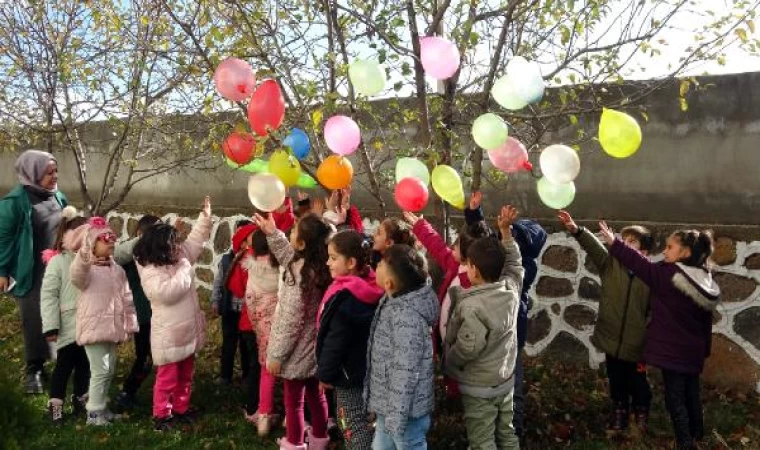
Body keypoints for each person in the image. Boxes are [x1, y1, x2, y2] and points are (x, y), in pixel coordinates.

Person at [602, 223, 720, 450]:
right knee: (691, 393)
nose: (664, 251)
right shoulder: (704, 278)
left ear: (685, 252)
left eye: (669, 247)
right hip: (693, 352)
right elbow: (706, 323)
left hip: (672, 353)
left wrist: (615, 243)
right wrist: (705, 349)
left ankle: (684, 442)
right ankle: (697, 433)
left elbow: (640, 264)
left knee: (675, 399)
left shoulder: (668, 276)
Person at [558, 210, 653, 432]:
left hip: (635, 342)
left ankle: (641, 413)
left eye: (632, 242)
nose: (625, 244)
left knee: (638, 381)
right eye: (624, 240)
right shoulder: (611, 266)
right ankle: (619, 411)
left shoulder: (651, 275)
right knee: (616, 379)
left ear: (645, 252)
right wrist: (576, 229)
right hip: (610, 337)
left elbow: (653, 311)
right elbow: (594, 248)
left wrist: (646, 331)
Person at [465, 193, 547, 439]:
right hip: (503, 338)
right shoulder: (512, 260)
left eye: (507, 236)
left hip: (507, 337)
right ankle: (504, 434)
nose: (499, 239)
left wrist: (504, 231)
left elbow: (495, 245)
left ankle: (512, 432)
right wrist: (473, 211)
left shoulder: (520, 268)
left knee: (511, 386)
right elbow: (485, 236)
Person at [444, 206, 524, 450]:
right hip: (504, 379)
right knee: (507, 433)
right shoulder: (511, 290)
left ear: (474, 269)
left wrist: (450, 361)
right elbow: (515, 265)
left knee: (482, 441)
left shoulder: (472, 306)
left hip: (479, 387)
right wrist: (505, 233)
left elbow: (468, 347)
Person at [253, 212, 332, 450]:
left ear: (303, 243)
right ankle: (319, 440)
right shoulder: (318, 266)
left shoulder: (297, 274)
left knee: (294, 403)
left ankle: (295, 443)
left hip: (296, 351)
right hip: (315, 347)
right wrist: (272, 233)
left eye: (295, 229)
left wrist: (276, 355)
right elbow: (288, 254)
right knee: (316, 398)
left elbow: (289, 320)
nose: (291, 232)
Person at [134, 197, 212, 431]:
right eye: (174, 243)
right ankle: (161, 415)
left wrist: (205, 217)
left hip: (186, 331)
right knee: (167, 378)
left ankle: (181, 408)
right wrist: (185, 269)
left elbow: (196, 240)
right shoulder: (151, 268)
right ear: (161, 248)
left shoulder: (178, 257)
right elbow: (164, 293)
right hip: (170, 336)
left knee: (186, 374)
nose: (180, 246)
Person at [0, 150, 68, 393]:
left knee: (55, 313)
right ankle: (34, 370)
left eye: (55, 171)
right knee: (33, 317)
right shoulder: (15, 202)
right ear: (33, 173)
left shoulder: (58, 197)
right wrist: (2, 271)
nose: (54, 176)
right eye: (48, 173)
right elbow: (3, 239)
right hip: (29, 268)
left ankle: (59, 360)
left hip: (57, 267)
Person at [365, 244, 439, 450]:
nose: (375, 265)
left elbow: (405, 371)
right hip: (389, 407)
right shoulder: (395, 300)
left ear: (388, 283)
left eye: (379, 263)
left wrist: (397, 415)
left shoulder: (407, 317)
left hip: (405, 412)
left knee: (409, 445)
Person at [317, 230, 383, 449]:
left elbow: (335, 343)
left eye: (334, 258)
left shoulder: (345, 299)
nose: (328, 262)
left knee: (351, 423)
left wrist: (325, 374)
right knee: (367, 420)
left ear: (352, 262)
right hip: (369, 372)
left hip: (346, 376)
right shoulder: (374, 287)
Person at [69, 217, 138, 426]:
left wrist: (130, 324)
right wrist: (84, 252)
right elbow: (76, 275)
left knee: (109, 369)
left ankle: (102, 407)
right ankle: (93, 414)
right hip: (93, 328)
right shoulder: (87, 269)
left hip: (112, 328)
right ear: (92, 244)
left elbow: (127, 298)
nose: (110, 241)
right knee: (100, 370)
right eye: (104, 238)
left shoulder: (117, 270)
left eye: (112, 237)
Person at [40, 213, 89, 424]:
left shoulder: (93, 261)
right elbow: (49, 294)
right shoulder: (58, 262)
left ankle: (80, 399)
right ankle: (55, 406)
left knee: (85, 366)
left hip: (89, 325)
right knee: (63, 368)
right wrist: (51, 326)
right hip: (67, 326)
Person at [113, 214, 162, 411]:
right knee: (146, 357)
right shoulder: (130, 256)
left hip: (156, 313)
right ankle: (127, 393)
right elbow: (115, 257)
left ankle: (135, 392)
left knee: (152, 356)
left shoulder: (155, 255)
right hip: (143, 316)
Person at [242, 229, 282, 436]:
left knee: (266, 371)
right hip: (282, 330)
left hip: (261, 331)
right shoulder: (282, 271)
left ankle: (264, 417)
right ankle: (293, 417)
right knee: (290, 373)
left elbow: (249, 302)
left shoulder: (252, 270)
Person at [211, 220, 253, 385]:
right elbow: (218, 281)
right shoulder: (227, 259)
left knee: (246, 345)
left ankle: (247, 376)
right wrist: (216, 301)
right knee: (228, 343)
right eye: (238, 234)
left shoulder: (253, 259)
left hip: (246, 311)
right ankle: (225, 375)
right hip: (229, 309)